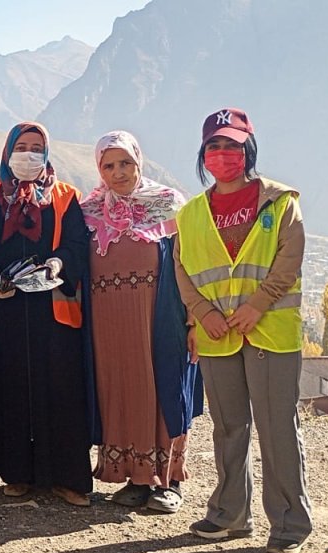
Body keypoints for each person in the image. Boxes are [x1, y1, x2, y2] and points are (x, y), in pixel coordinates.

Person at [174, 108, 311, 553]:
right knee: (229, 426)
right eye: (214, 145)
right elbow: (182, 269)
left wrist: (257, 305)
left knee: (276, 428)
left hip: (269, 329)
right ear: (203, 153)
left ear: (247, 148)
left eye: (231, 145)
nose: (222, 153)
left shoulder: (279, 200)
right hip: (217, 333)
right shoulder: (191, 213)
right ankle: (230, 513)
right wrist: (200, 313)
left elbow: (288, 260)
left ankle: (290, 522)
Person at [0, 122, 92, 506]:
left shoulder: (67, 197)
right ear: (7, 151)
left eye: (37, 147)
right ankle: (16, 472)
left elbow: (76, 246)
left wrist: (57, 264)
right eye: (22, 146)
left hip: (52, 312)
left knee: (60, 392)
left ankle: (67, 477)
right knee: (10, 387)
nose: (29, 154)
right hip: (1, 309)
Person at [80, 130, 203, 513]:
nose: (118, 172)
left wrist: (194, 321)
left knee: (162, 387)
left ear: (139, 161)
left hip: (159, 316)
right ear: (99, 169)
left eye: (125, 163)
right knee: (120, 390)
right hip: (108, 323)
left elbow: (190, 265)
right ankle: (134, 477)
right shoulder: (89, 212)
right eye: (108, 165)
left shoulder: (168, 205)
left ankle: (170, 480)